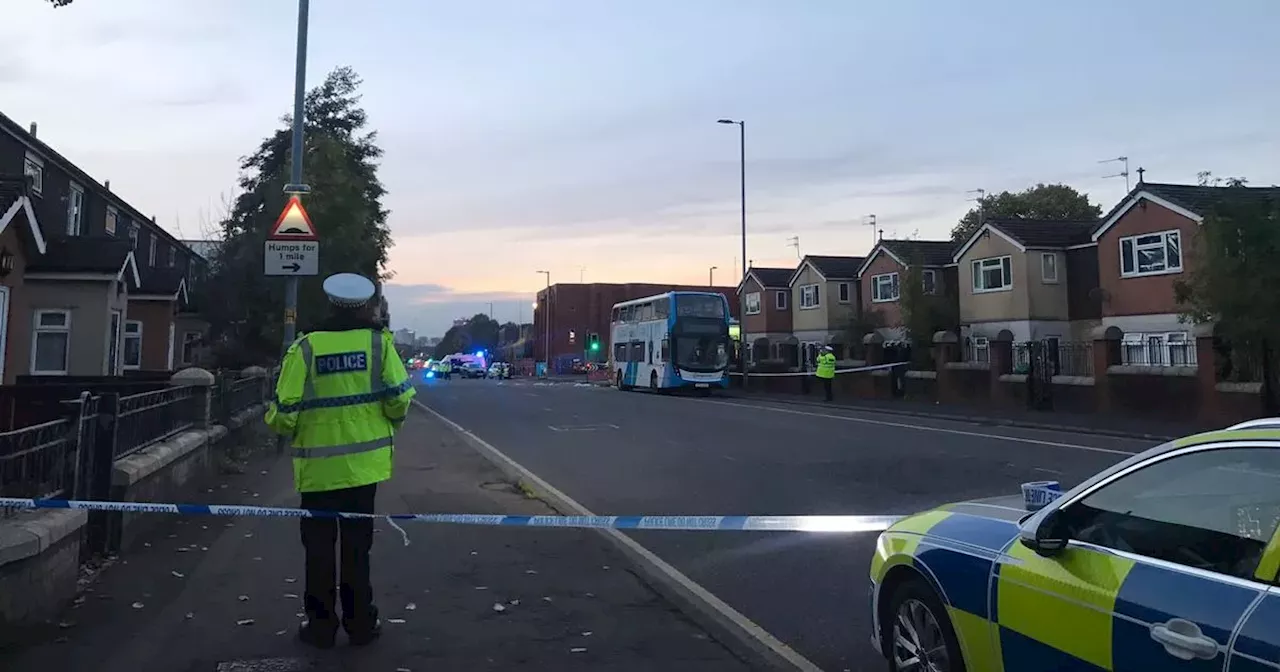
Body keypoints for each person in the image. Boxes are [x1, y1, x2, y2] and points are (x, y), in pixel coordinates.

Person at [265, 273, 416, 649]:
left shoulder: (306, 348)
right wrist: (388, 422)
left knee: (317, 552)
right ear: (367, 306)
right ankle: (361, 625)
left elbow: (284, 413)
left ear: (330, 304)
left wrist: (282, 426)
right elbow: (399, 399)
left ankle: (320, 628)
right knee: (356, 551)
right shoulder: (378, 344)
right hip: (364, 471)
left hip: (318, 472)